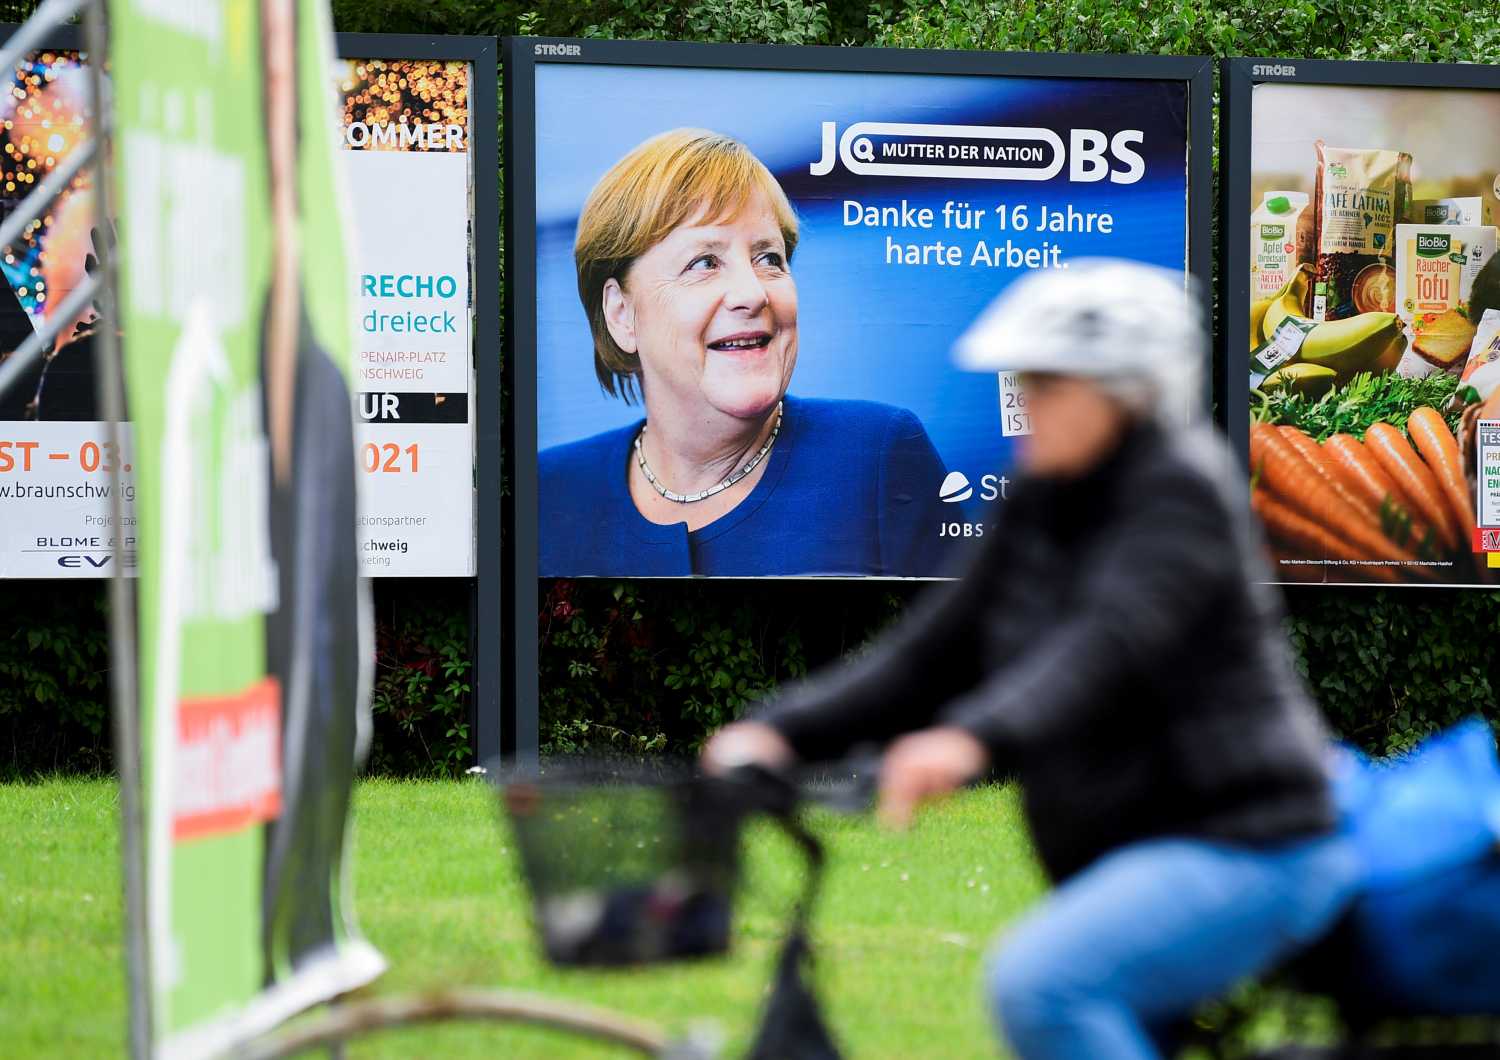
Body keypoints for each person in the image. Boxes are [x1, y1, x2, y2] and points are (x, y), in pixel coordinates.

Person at [703, 259, 1361, 1059]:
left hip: (1245, 842)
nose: (1027, 402)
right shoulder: (1043, 499)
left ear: (1125, 391)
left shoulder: (1180, 492)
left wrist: (971, 739)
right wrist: (778, 731)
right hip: (1133, 851)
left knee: (1042, 984)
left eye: (1049, 384)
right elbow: (929, 654)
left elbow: (1106, 647)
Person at [539, 128, 949, 577]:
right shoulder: (548, 492)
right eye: (705, 263)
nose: (752, 294)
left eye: (769, 259)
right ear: (621, 313)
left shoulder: (879, 457)